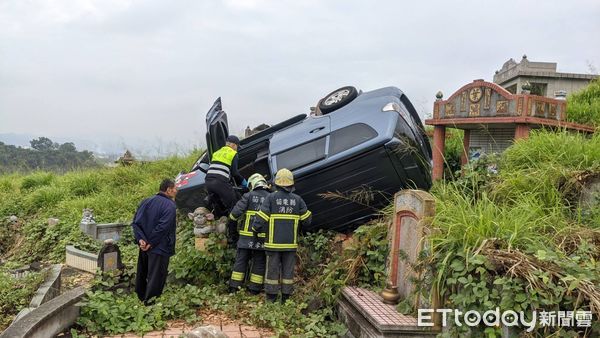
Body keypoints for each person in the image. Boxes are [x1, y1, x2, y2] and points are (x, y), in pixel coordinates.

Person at [252, 168, 312, 303]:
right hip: (290, 244)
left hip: (273, 245)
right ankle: (286, 298)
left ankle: (271, 299)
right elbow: (307, 221)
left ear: (276, 184)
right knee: (288, 272)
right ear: (291, 184)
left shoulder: (271, 198)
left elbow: (260, 219)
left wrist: (255, 230)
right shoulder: (298, 200)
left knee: (272, 271)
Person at [131, 178, 178, 304]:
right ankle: (151, 303)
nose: (176, 191)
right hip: (160, 247)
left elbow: (136, 222)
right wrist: (150, 243)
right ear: (168, 190)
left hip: (144, 246)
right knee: (156, 276)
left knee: (143, 272)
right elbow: (163, 227)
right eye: (175, 188)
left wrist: (141, 239)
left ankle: (140, 298)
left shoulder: (146, 201)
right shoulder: (170, 205)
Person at [227, 173, 271, 294]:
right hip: (263, 238)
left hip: (246, 238)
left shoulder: (248, 196)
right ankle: (254, 289)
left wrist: (233, 234)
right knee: (259, 262)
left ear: (252, 184)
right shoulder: (271, 197)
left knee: (241, 261)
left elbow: (233, 215)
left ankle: (234, 287)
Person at [205, 135, 247, 243]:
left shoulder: (216, 152)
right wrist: (243, 182)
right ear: (233, 145)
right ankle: (233, 236)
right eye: (237, 146)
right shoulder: (233, 154)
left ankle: (215, 229)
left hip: (208, 181)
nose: (237, 148)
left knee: (216, 205)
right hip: (220, 182)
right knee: (234, 206)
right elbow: (234, 173)